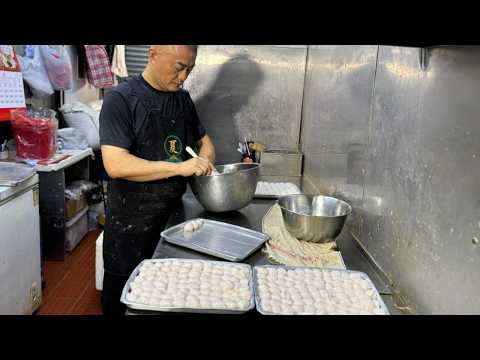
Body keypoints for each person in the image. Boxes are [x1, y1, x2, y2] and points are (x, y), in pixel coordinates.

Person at [99, 45, 216, 315]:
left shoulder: (183, 100)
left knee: (164, 300)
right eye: (179, 67)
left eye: (190, 68)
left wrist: (205, 160)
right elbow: (115, 164)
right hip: (130, 228)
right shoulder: (121, 99)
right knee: (122, 302)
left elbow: (206, 142)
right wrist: (179, 168)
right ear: (153, 54)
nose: (184, 76)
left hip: (173, 223)